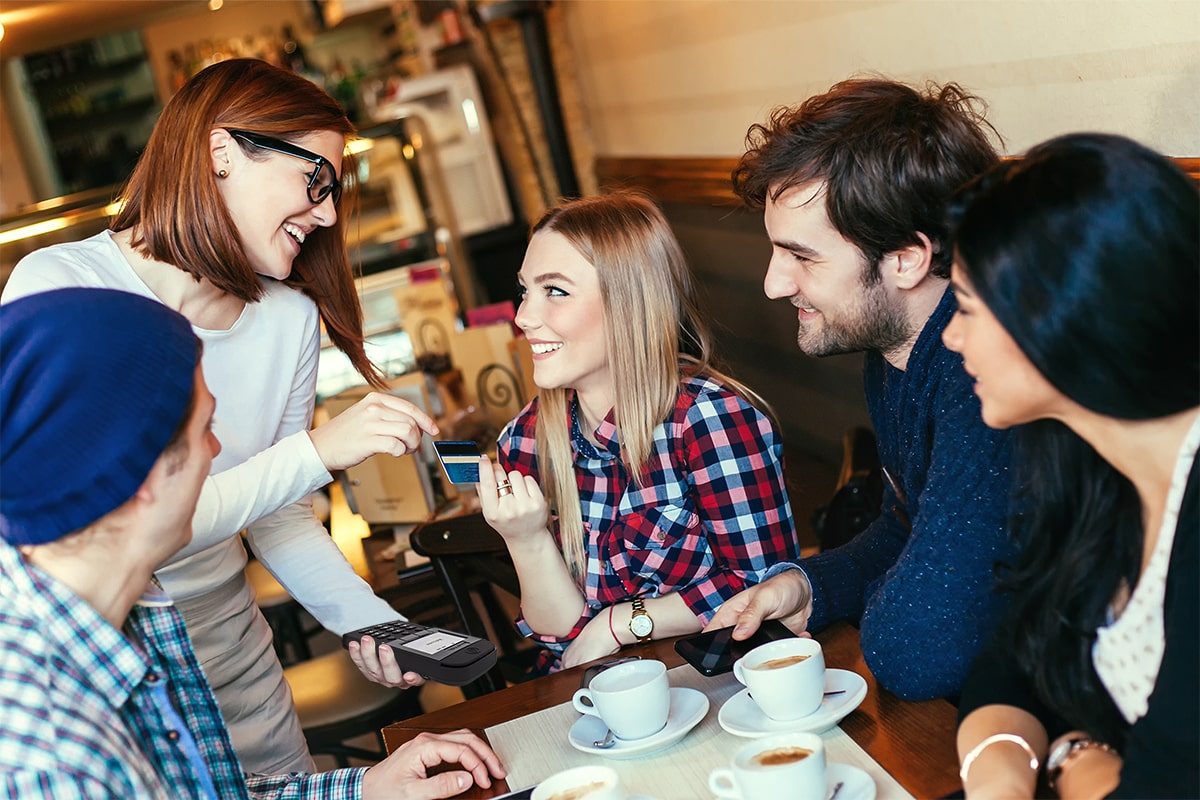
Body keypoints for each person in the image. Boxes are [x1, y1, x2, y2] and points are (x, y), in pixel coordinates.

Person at [1, 58, 434, 773]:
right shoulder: (66, 288)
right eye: (314, 180)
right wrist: (316, 453)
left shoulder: (289, 316)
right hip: (115, 661)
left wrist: (375, 625)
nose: (327, 212)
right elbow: (119, 517)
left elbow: (280, 514)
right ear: (221, 153)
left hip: (235, 648)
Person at [0, 287, 506, 799]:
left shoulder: (126, 608)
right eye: (204, 430)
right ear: (140, 475)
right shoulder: (50, 763)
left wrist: (365, 788)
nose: (219, 449)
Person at [706, 78, 1018, 701]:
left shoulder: (988, 379)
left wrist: (880, 602)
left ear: (905, 259)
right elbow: (908, 527)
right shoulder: (894, 347)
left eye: (802, 256)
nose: (773, 284)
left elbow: (917, 653)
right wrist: (811, 585)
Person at [948, 134, 1198, 798]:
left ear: (1061, 317)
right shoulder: (1089, 459)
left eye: (967, 309)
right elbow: (1014, 661)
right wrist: (1001, 776)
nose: (952, 336)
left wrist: (1070, 758)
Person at [476, 192, 799, 673]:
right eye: (525, 290)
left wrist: (621, 623)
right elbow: (562, 638)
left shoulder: (708, 419)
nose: (523, 317)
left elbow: (763, 584)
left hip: (715, 682)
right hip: (598, 697)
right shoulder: (526, 439)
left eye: (556, 291)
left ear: (629, 302)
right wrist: (525, 539)